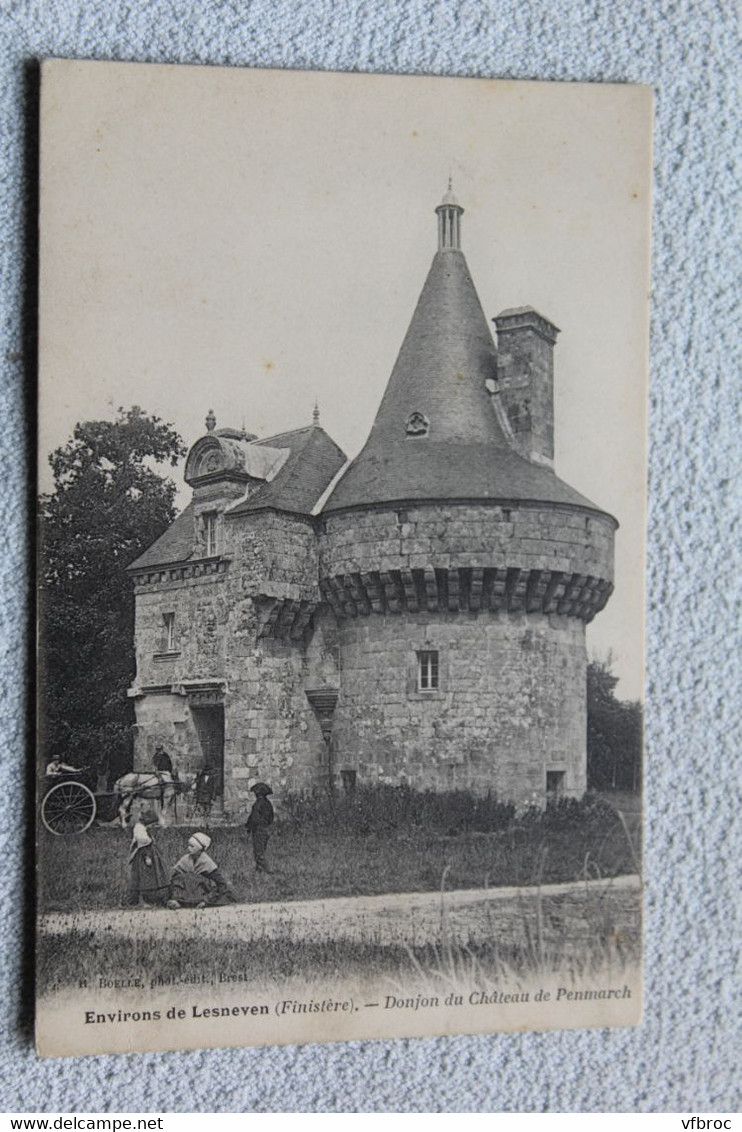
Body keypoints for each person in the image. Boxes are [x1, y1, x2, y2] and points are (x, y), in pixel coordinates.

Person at [167, 832, 236, 908]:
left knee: (213, 888)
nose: (189, 848)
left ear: (200, 849)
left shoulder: (207, 862)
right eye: (188, 845)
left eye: (192, 846)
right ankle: (178, 901)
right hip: (185, 889)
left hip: (200, 890)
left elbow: (219, 880)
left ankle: (204, 902)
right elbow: (175, 875)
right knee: (178, 881)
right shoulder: (185, 859)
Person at [126, 811, 169, 906]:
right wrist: (147, 857)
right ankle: (141, 899)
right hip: (143, 859)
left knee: (151, 877)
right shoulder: (142, 836)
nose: (154, 827)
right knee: (143, 878)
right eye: (152, 825)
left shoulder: (146, 831)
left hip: (151, 857)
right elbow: (143, 848)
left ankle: (153, 897)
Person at [245, 782, 274, 873]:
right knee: (261, 849)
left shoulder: (258, 804)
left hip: (258, 830)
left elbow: (254, 818)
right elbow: (271, 818)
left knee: (258, 852)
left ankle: (269, 871)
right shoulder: (268, 804)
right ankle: (258, 870)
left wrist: (249, 827)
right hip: (266, 829)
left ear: (258, 794)